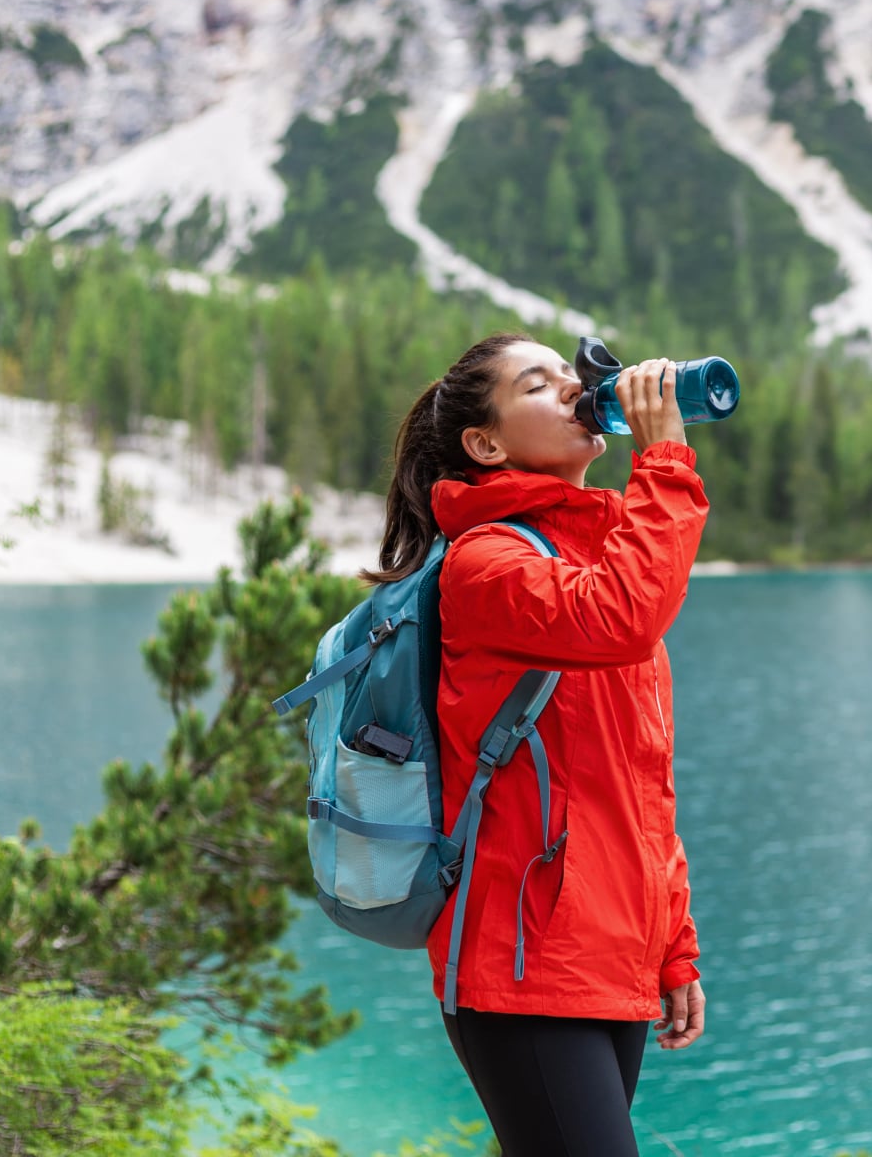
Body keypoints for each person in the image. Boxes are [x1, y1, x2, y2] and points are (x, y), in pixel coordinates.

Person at [362, 331, 709, 1155]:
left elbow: (638, 784)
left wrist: (675, 944)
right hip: (521, 963)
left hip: (606, 949)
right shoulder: (485, 564)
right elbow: (623, 618)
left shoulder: (595, 552)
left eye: (571, 376)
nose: (572, 389)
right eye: (538, 385)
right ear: (485, 444)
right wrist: (663, 462)